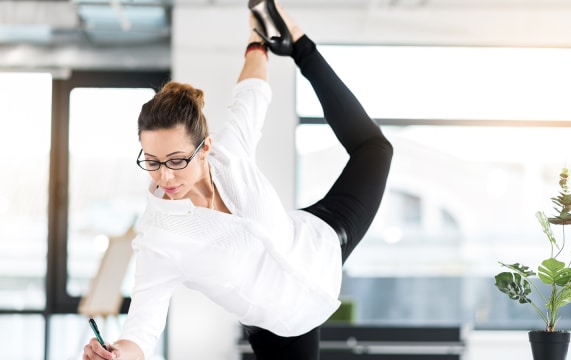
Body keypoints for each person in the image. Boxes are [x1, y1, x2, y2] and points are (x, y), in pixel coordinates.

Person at [82, 1, 392, 359]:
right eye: (151, 162)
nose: (164, 175)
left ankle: (302, 46)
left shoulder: (229, 154)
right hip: (283, 330)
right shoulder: (159, 238)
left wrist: (258, 42)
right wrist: (120, 354)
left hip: (321, 241)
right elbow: (142, 329)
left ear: (205, 148)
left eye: (176, 160)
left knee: (375, 149)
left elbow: (252, 92)